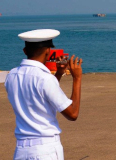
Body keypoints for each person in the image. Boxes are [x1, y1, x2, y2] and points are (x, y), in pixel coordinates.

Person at [5, 29, 83, 160]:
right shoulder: (45, 78)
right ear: (48, 51)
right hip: (45, 150)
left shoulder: (12, 75)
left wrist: (58, 74)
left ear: (25, 51)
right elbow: (73, 114)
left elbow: (41, 95)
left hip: (21, 150)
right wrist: (77, 78)